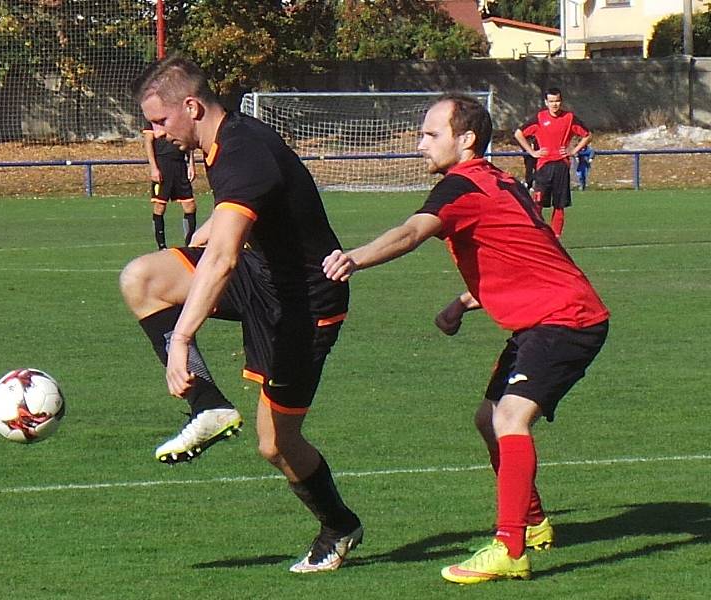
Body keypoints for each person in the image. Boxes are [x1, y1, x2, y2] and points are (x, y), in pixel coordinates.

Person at [322, 95, 609, 584]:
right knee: (488, 418)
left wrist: (356, 257)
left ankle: (510, 548)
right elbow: (518, 250)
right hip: (548, 316)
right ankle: (534, 522)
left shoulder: (462, 185)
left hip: (565, 319)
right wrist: (464, 301)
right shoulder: (497, 180)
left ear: (466, 139)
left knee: (510, 416)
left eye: (431, 135)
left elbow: (412, 232)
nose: (421, 145)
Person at [119, 55, 362, 573]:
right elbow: (239, 222)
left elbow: (224, 258)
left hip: (304, 305)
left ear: (191, 106)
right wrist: (210, 226)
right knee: (142, 277)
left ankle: (340, 526)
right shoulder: (221, 142)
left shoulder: (243, 151)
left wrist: (181, 340)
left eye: (161, 121)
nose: (158, 135)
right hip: (263, 278)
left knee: (276, 444)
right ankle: (207, 405)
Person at [514, 87, 592, 237]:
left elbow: (587, 135)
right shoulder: (539, 118)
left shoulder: (569, 118)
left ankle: (556, 238)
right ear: (546, 102)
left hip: (561, 165)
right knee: (537, 201)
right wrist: (532, 152)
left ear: (561, 101)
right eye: (551, 101)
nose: (554, 104)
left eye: (557, 101)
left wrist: (573, 151)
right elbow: (518, 133)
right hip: (543, 165)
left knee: (559, 204)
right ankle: (536, 234)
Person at [143, 121, 197, 249]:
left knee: (190, 206)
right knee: (160, 206)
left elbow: (188, 140)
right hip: (163, 165)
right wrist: (153, 168)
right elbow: (148, 142)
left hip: (180, 165)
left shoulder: (178, 115)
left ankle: (189, 245)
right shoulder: (153, 117)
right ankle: (161, 246)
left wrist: (191, 164)